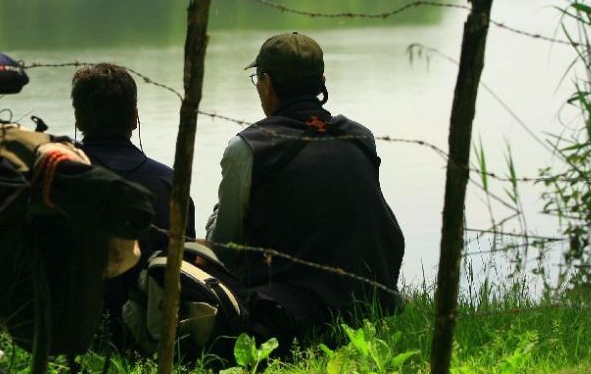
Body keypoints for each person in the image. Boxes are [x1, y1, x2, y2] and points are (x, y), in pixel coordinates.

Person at [205, 32, 404, 356]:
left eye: (257, 80)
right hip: (368, 304)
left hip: (289, 316)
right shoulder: (359, 137)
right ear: (321, 80)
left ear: (267, 83)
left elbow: (226, 247)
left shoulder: (249, 146)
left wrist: (211, 230)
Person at [70, 63, 196, 333]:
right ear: (134, 118)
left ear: (78, 120)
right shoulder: (169, 181)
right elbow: (188, 258)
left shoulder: (59, 178)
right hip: (151, 325)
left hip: (71, 321)